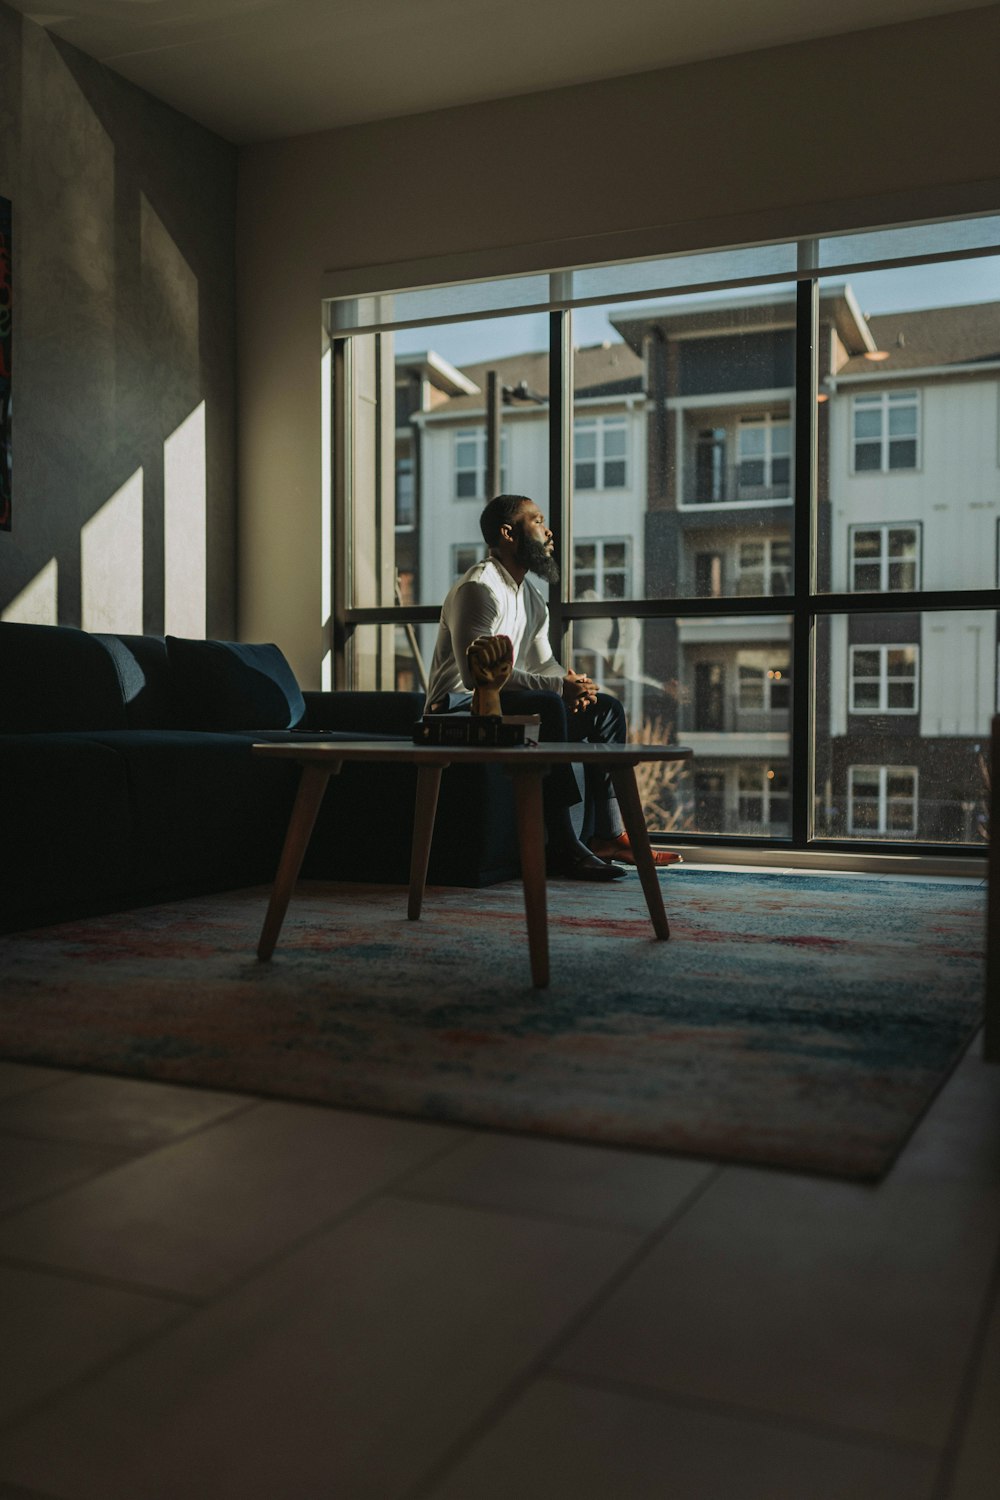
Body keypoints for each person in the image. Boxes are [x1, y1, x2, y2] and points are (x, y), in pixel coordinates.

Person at [425, 493, 679, 880]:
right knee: (547, 702)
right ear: (508, 534)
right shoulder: (479, 588)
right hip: (461, 710)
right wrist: (557, 690)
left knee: (605, 710)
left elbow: (543, 663)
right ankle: (561, 843)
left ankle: (607, 836)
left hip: (505, 708)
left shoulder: (531, 597)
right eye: (538, 521)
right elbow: (480, 676)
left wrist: (573, 685)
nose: (549, 531)